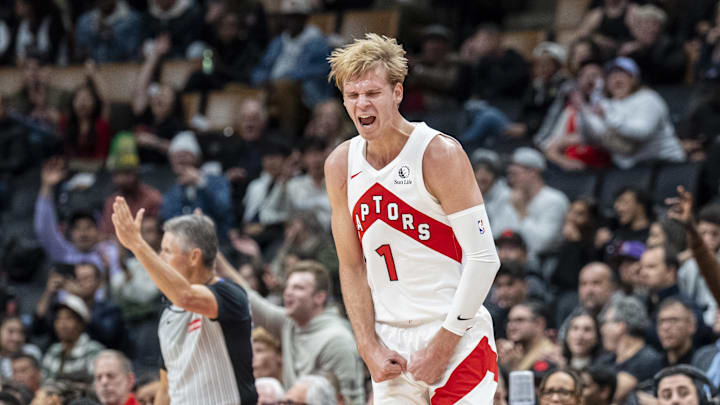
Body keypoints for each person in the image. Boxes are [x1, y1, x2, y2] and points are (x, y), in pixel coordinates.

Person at [325, 33, 501, 403]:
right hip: (390, 345)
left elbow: (485, 258)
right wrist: (367, 345)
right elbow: (351, 265)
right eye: (352, 95)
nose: (361, 104)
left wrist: (442, 346)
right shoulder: (341, 164)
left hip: (456, 335)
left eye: (372, 93)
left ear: (398, 93)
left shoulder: (438, 153)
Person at [111, 202, 257, 404]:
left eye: (167, 251)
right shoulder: (169, 312)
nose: (160, 257)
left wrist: (136, 244)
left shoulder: (229, 294)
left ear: (194, 257)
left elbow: (186, 296)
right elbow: (166, 388)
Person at [217, 258, 366, 404]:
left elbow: (350, 400)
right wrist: (213, 257)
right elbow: (247, 297)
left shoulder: (337, 340)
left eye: (298, 288)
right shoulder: (289, 323)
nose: (288, 292)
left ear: (319, 297)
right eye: (288, 287)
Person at [597, 294, 662, 402]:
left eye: (605, 323)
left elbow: (611, 394)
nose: (602, 330)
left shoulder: (647, 358)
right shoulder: (606, 359)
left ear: (620, 326)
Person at [41, 293, 105, 385]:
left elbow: (98, 386)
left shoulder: (93, 351)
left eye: (69, 318)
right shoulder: (53, 351)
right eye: (58, 318)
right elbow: (44, 385)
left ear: (81, 324)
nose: (62, 324)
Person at [657, 298, 697, 367]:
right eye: (661, 321)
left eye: (674, 320)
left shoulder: (703, 364)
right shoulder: (651, 367)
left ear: (691, 326)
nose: (665, 327)